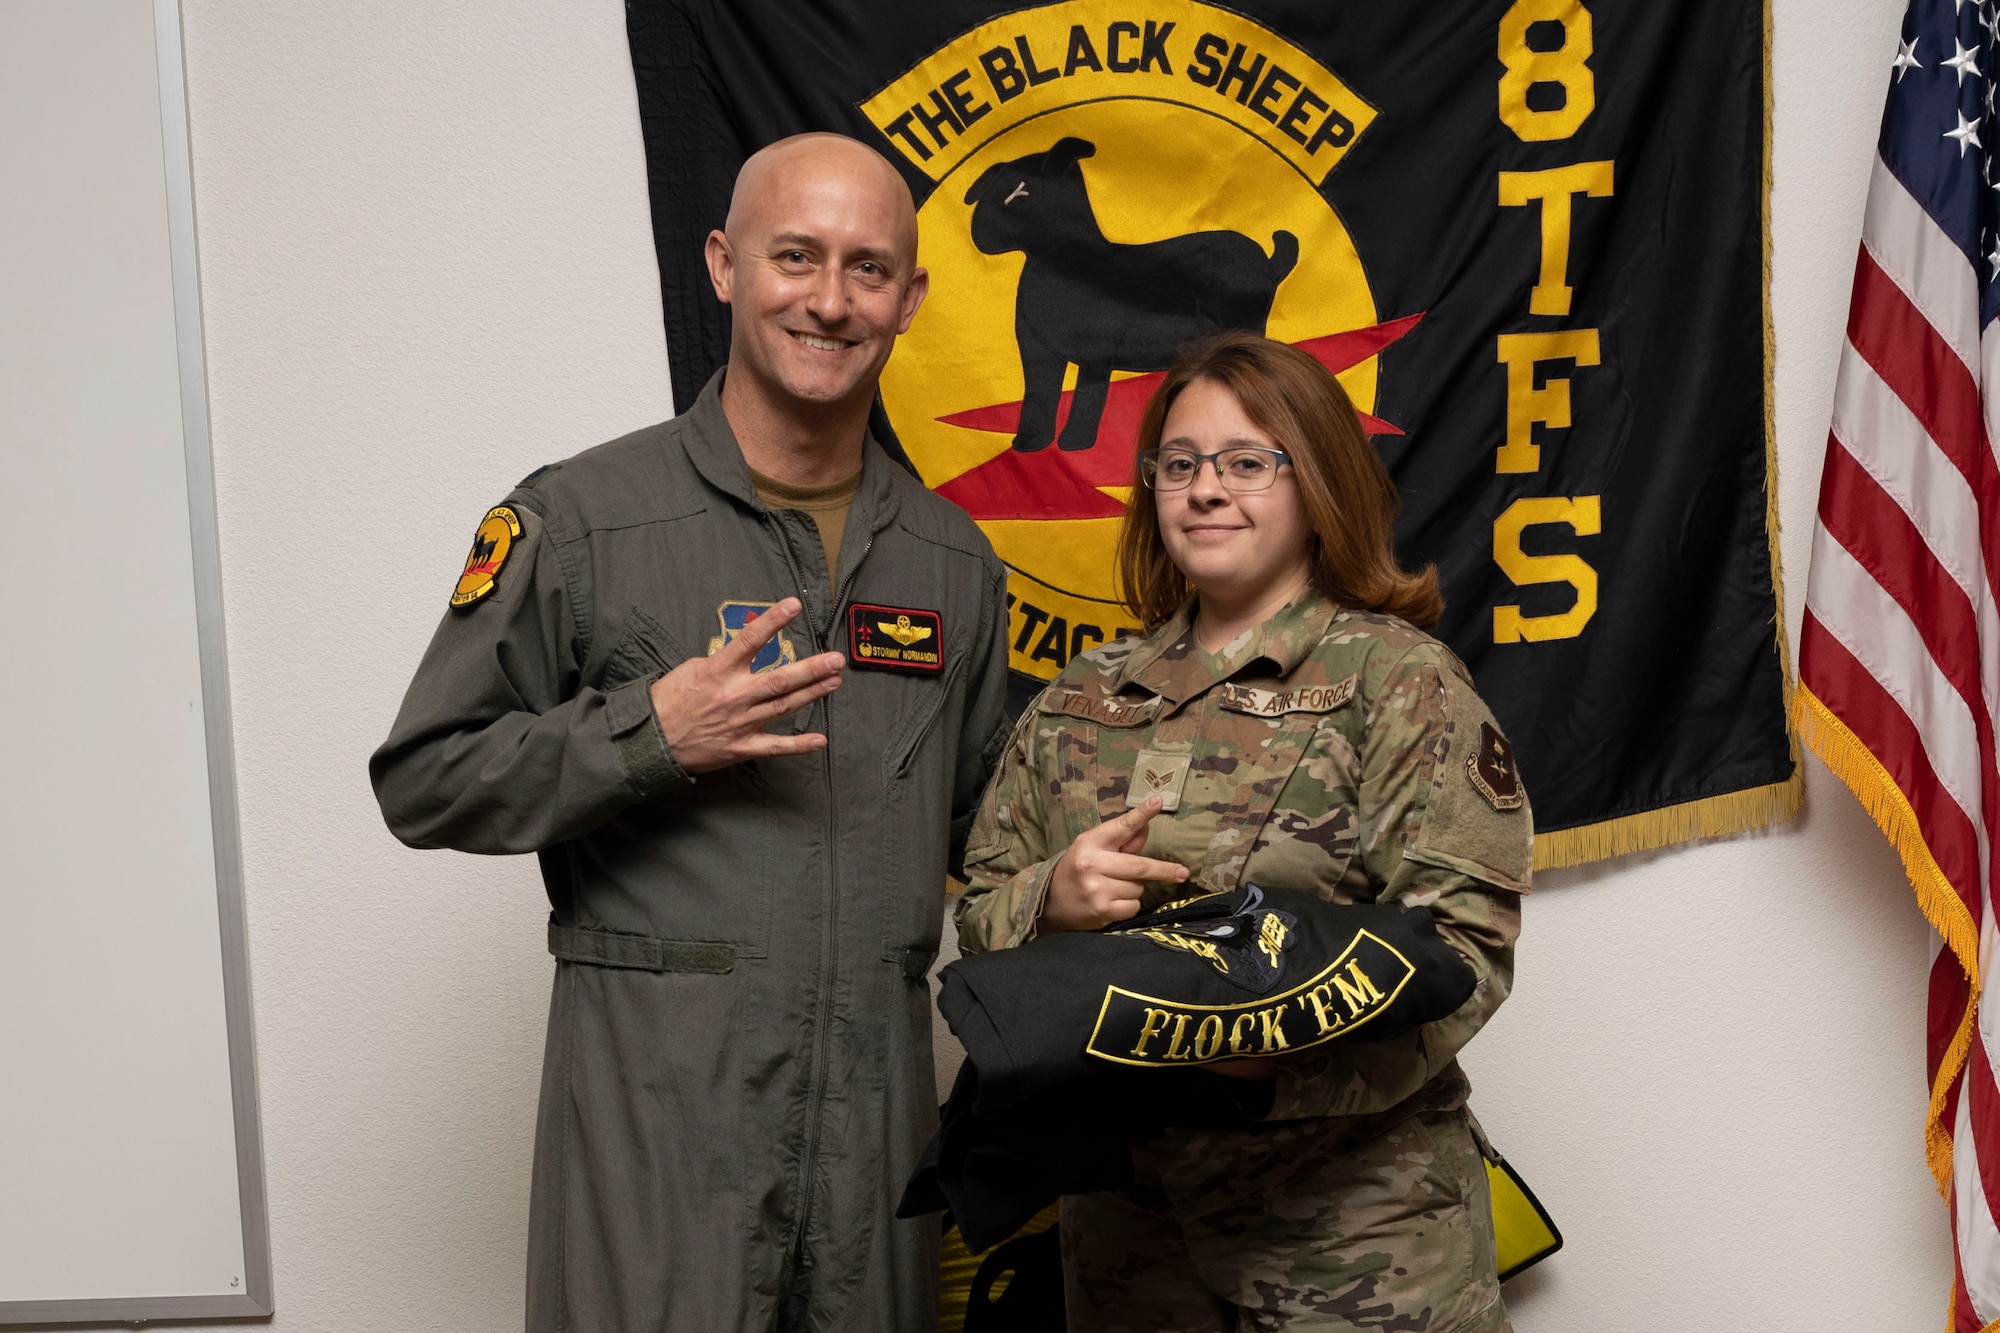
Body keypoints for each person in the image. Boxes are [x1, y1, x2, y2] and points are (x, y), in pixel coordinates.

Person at [370, 133, 1013, 1332]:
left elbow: (996, 840)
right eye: (795, 256)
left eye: (867, 268)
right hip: (654, 1117)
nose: (829, 298)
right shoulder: (583, 521)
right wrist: (645, 734)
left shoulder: (952, 562)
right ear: (722, 265)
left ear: (909, 298)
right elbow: (423, 780)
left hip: (878, 1122)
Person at [953, 331, 1531, 1331]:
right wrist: (1049, 900)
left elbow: (1462, 952)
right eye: (1178, 464)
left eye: (1244, 462)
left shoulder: (1395, 682)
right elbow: (977, 919)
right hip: (1130, 1248)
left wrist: (1270, 1067)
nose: (1204, 489)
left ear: (1317, 485)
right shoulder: (1079, 699)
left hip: (1357, 1242)